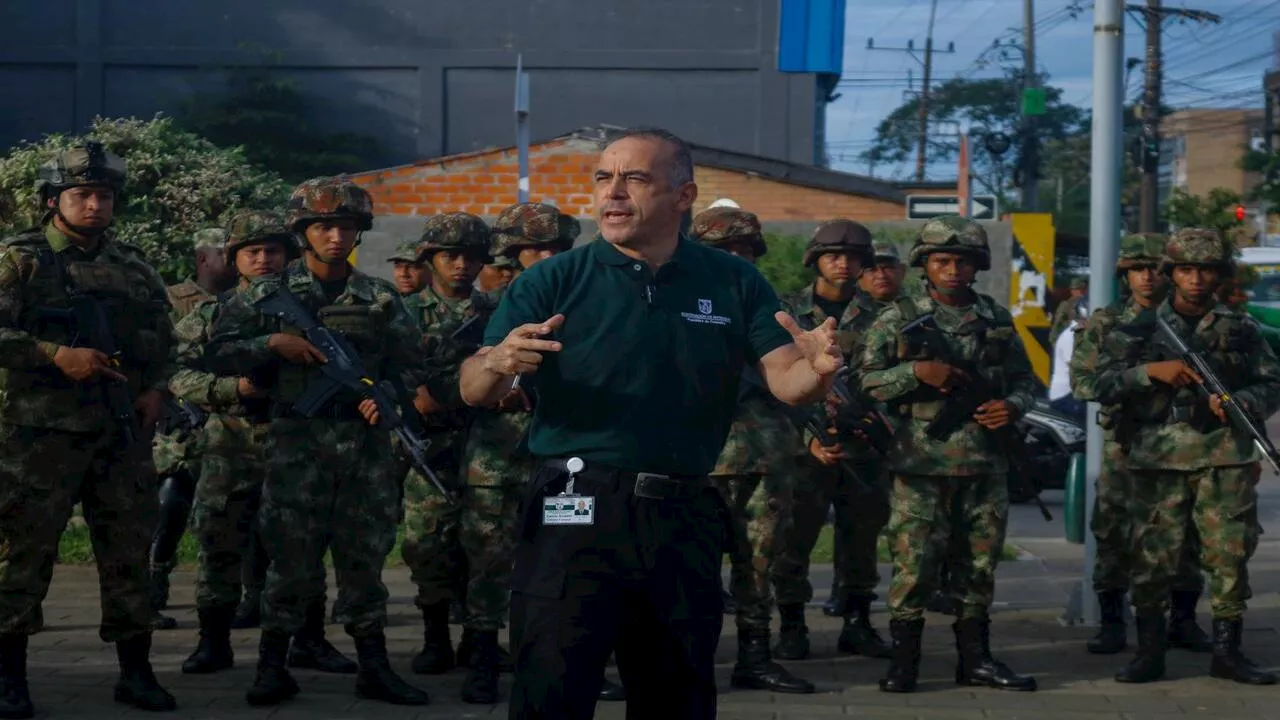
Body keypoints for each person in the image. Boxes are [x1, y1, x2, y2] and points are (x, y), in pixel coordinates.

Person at [457, 127, 843, 719]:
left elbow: (787, 378)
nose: (612, 193)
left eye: (634, 178)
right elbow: (474, 387)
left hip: (682, 514)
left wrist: (817, 371)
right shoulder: (552, 280)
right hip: (575, 507)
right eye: (603, 178)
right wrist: (496, 360)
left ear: (683, 196)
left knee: (676, 696)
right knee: (551, 691)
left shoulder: (732, 281)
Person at [205, 177, 429, 706]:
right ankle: (272, 667)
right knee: (289, 559)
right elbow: (217, 352)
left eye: (345, 226)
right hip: (296, 445)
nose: (335, 235)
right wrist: (272, 343)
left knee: (364, 558)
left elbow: (411, 366)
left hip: (363, 450)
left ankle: (374, 666)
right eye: (323, 226)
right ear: (304, 232)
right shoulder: (268, 294)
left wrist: (389, 398)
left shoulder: (379, 298)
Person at [0, 142, 178, 716]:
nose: (96, 204)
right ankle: (10, 678)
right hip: (36, 437)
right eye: (82, 194)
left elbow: (164, 342)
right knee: (19, 557)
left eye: (104, 195)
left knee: (127, 553)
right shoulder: (18, 260)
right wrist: (53, 354)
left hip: (118, 434)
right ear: (53, 200)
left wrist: (156, 388)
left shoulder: (133, 266)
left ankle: (136, 671)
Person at [1090, 229, 1280, 686]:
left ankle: (1226, 652)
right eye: (1187, 270)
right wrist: (1149, 373)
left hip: (1223, 457)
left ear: (1219, 276)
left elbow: (1271, 381)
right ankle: (1150, 652)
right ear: (1170, 274)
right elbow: (1098, 383)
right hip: (1156, 457)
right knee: (1153, 556)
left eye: (1206, 270)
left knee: (1229, 555)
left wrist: (1242, 401)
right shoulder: (1135, 326)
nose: (1196, 279)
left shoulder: (1241, 327)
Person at [173, 210, 357, 677]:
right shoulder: (212, 314)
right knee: (219, 542)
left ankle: (308, 641)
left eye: (273, 250)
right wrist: (233, 390)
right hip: (233, 444)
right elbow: (175, 373)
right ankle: (213, 643)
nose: (263, 259)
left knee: (303, 546)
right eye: (251, 252)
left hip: (302, 442)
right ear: (234, 260)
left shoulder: (318, 309)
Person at [861, 215, 1039, 694]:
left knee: (979, 566)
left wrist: (1011, 407)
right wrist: (917, 371)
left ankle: (975, 660)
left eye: (963, 260)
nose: (953, 269)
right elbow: (866, 380)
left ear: (977, 265)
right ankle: (905, 662)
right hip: (920, 464)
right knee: (913, 564)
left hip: (984, 462)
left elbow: (1026, 382)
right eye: (942, 260)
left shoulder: (995, 318)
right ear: (925, 264)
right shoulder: (899, 316)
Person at [689, 206, 814, 694]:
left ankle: (755, 657)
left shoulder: (773, 310)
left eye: (746, 251)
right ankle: (691, 660)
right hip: (696, 459)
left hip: (765, 456)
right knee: (690, 568)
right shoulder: (679, 306)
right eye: (725, 251)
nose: (738, 259)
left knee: (760, 561)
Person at [1071, 232, 1210, 657]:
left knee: (1188, 534)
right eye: (1136, 269)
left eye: (1154, 268)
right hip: (1127, 443)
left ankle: (1182, 620)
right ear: (1125, 275)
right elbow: (1083, 383)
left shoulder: (1197, 319)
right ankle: (1113, 621)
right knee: (1113, 528)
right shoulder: (1105, 323)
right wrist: (1144, 374)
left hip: (1188, 441)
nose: (1147, 277)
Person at [771, 220, 891, 663]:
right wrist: (810, 437)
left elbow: (888, 383)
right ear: (815, 259)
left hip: (863, 448)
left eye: (853, 256)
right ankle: (792, 624)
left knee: (862, 538)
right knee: (794, 538)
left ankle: (857, 623)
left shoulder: (883, 316)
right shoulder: (786, 311)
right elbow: (772, 380)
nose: (843, 263)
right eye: (833, 254)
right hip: (804, 449)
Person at [149, 228, 234, 630]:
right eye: (225, 253)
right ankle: (152, 588)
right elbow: (157, 355)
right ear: (203, 258)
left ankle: (244, 596)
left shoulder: (249, 299)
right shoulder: (171, 299)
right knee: (170, 502)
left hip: (235, 418)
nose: (234, 260)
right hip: (180, 419)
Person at [1047, 298, 1088, 424]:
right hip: (1065, 396)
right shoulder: (1070, 336)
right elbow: (1079, 368)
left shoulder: (1083, 334)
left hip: (1075, 392)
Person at [388, 238, 430, 305]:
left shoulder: (439, 306)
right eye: (398, 267)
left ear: (430, 270)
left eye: (413, 267)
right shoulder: (386, 303)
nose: (403, 274)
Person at [1049, 277, 1088, 345]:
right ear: (1072, 291)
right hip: (1070, 340)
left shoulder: (1088, 303)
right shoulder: (1066, 305)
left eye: (1082, 290)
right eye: (1077, 289)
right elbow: (1058, 324)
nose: (1081, 292)